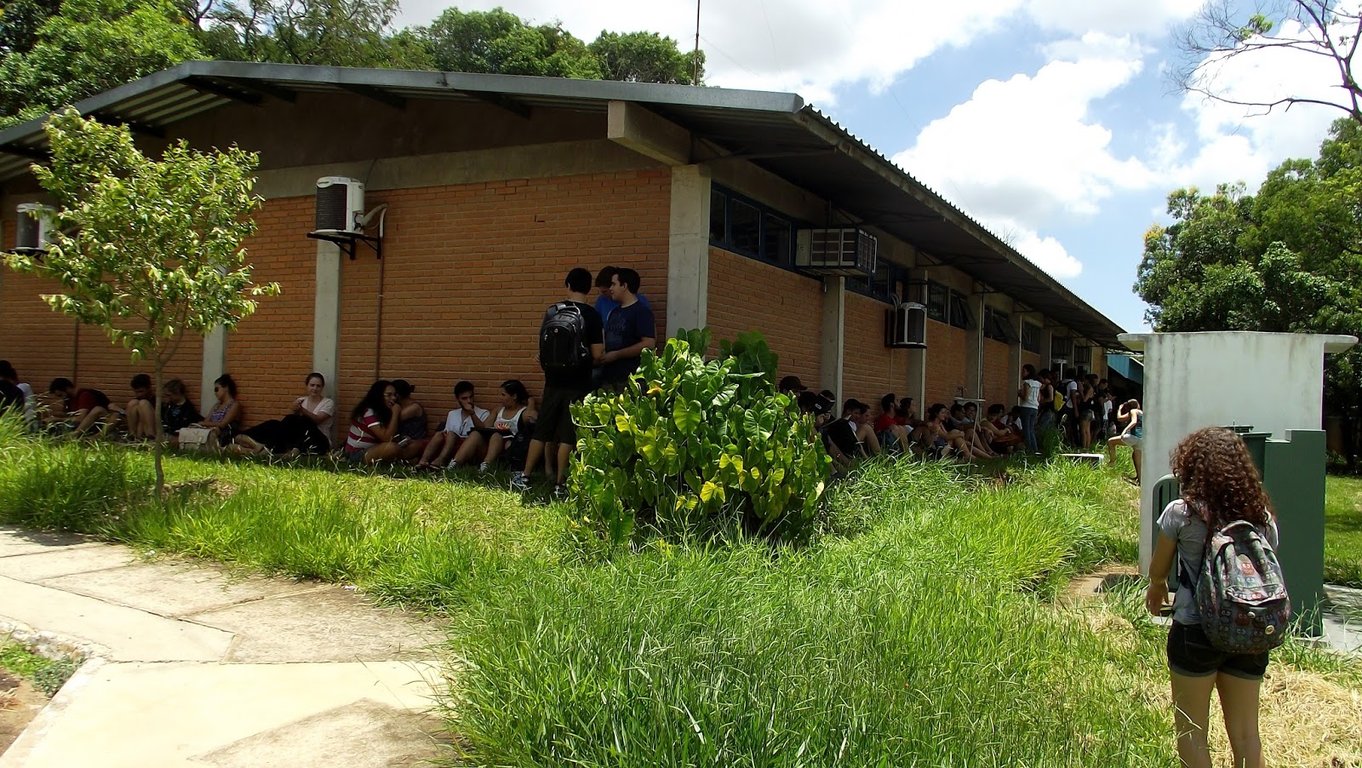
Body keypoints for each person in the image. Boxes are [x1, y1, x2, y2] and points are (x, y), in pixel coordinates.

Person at [1146, 427, 1278, 768]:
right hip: (1250, 631)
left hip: (1195, 629)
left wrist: (1157, 587)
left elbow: (1158, 569)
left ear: (1191, 466)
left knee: (1192, 734)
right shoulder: (1261, 517)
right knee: (1248, 736)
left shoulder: (1182, 512)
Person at [512, 268, 604, 494]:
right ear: (588, 288)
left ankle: (524, 477)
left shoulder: (552, 311)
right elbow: (598, 354)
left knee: (542, 431)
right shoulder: (591, 315)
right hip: (579, 382)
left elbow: (542, 349)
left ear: (568, 285)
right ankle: (560, 484)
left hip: (552, 381)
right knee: (567, 435)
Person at [232, 372, 334, 456]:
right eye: (312, 385)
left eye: (318, 386)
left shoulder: (328, 403)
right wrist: (294, 410)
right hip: (297, 439)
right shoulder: (301, 400)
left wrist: (301, 411)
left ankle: (268, 449)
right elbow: (289, 424)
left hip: (318, 440)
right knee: (274, 424)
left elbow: (317, 420)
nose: (315, 388)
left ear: (322, 388)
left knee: (303, 420)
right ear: (307, 386)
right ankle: (244, 437)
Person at [452, 379, 537, 472]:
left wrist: (531, 402)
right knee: (475, 434)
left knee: (497, 436)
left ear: (514, 396)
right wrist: (472, 414)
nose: (500, 398)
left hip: (508, 451)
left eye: (503, 395)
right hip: (490, 449)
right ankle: (454, 464)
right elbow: (483, 428)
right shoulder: (498, 410)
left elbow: (533, 417)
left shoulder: (523, 413)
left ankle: (485, 468)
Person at [597, 267, 656, 391]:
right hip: (609, 377)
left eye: (614, 284)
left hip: (630, 379)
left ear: (624, 286)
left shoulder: (641, 311)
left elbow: (649, 343)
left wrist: (617, 355)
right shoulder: (614, 312)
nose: (611, 289)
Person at [416, 381, 490, 469]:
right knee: (440, 434)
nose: (469, 401)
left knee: (452, 435)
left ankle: (441, 461)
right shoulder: (452, 414)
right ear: (458, 399)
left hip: (470, 446)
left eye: (471, 397)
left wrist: (472, 413)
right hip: (451, 445)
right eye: (464, 398)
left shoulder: (483, 413)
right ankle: (423, 462)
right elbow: (447, 433)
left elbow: (482, 432)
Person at [343, 380, 404, 463]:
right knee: (392, 448)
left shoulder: (383, 411)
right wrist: (395, 413)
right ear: (378, 396)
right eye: (389, 395)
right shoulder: (368, 411)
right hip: (356, 453)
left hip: (374, 448)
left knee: (415, 445)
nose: (393, 398)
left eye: (394, 395)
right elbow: (386, 438)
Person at [45, 377, 112, 436]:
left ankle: (75, 435)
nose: (62, 398)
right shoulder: (69, 399)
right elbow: (71, 416)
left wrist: (57, 419)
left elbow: (80, 418)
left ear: (67, 388)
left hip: (96, 425)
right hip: (83, 426)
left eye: (61, 395)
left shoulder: (84, 395)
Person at [197, 374, 243, 446]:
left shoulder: (234, 405)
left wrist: (203, 424)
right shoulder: (216, 406)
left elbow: (223, 424)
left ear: (226, 388)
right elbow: (206, 421)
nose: (215, 393)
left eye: (217, 389)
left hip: (226, 435)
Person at [1106, 398, 1144, 483]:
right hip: (1142, 439)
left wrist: (1125, 430)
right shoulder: (1142, 413)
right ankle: (1140, 480)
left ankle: (1112, 462)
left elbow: (1121, 419)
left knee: (1110, 441)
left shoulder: (1133, 411)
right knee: (1136, 458)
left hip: (1132, 436)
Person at [391, 379, 428, 461]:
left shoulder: (414, 407)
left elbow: (392, 419)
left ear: (398, 395)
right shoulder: (400, 407)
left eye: (392, 394)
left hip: (414, 442)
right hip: (402, 441)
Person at [123, 373, 157, 440]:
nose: (138, 395)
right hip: (138, 427)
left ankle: (151, 435)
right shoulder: (136, 401)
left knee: (143, 403)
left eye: (141, 391)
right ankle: (132, 434)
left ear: (149, 388)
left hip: (152, 425)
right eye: (136, 392)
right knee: (132, 403)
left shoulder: (154, 400)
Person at [1017, 364, 1041, 453]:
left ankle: (1029, 450)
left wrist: (1020, 394)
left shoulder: (1027, 382)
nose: (1022, 373)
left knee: (1026, 430)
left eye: (1024, 371)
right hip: (1035, 407)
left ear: (1028, 372)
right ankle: (1035, 449)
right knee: (1031, 429)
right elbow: (1039, 398)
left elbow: (1026, 397)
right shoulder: (1038, 384)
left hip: (1026, 407)